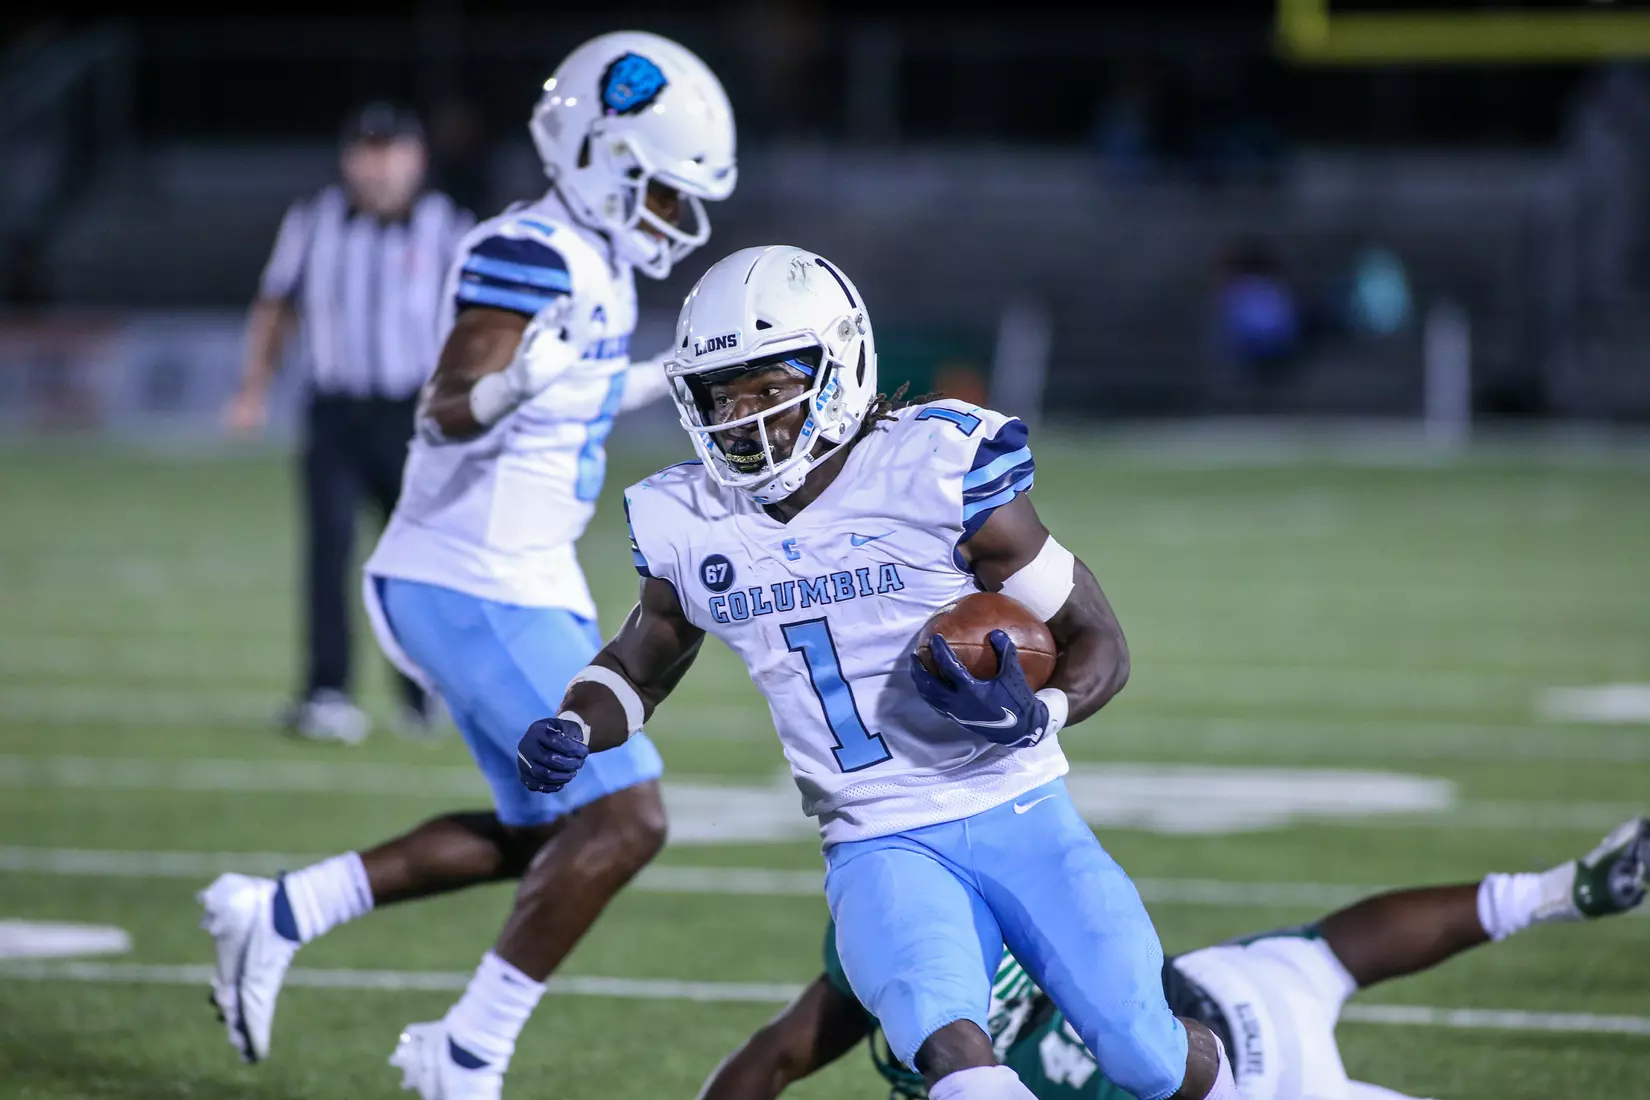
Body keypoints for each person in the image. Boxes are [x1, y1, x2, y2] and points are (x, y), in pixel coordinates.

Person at [517, 245, 1238, 1100]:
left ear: (840, 366)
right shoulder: (689, 517)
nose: (744, 418)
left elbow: (1097, 639)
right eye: (723, 395)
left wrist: (1038, 713)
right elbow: (641, 665)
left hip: (1020, 809)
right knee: (953, 1057)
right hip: (874, 837)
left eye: (768, 387)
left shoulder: (937, 469)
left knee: (1147, 1056)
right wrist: (574, 721)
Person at [197, 31, 738, 1100]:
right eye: (663, 190)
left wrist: (654, 378)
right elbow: (445, 407)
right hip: (470, 573)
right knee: (627, 817)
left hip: (521, 570)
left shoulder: (598, 256)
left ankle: (279, 911)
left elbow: (572, 390)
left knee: (549, 831)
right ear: (601, 159)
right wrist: (514, 387)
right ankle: (468, 1051)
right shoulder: (530, 250)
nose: (675, 217)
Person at [695, 815, 1650, 1100]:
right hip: (1235, 988)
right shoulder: (1015, 894)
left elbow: (775, 1056)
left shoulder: (920, 963)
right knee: (1325, 953)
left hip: (1238, 1083)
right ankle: (1551, 891)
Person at [224, 100, 475, 743]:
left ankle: (423, 693)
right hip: (335, 412)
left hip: (416, 418)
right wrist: (253, 389)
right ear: (348, 159)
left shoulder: (450, 227)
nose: (379, 166)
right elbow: (276, 306)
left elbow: (480, 323)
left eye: (391, 151)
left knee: (417, 561)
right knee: (329, 552)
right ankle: (326, 693)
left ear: (417, 159)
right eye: (368, 151)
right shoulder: (313, 221)